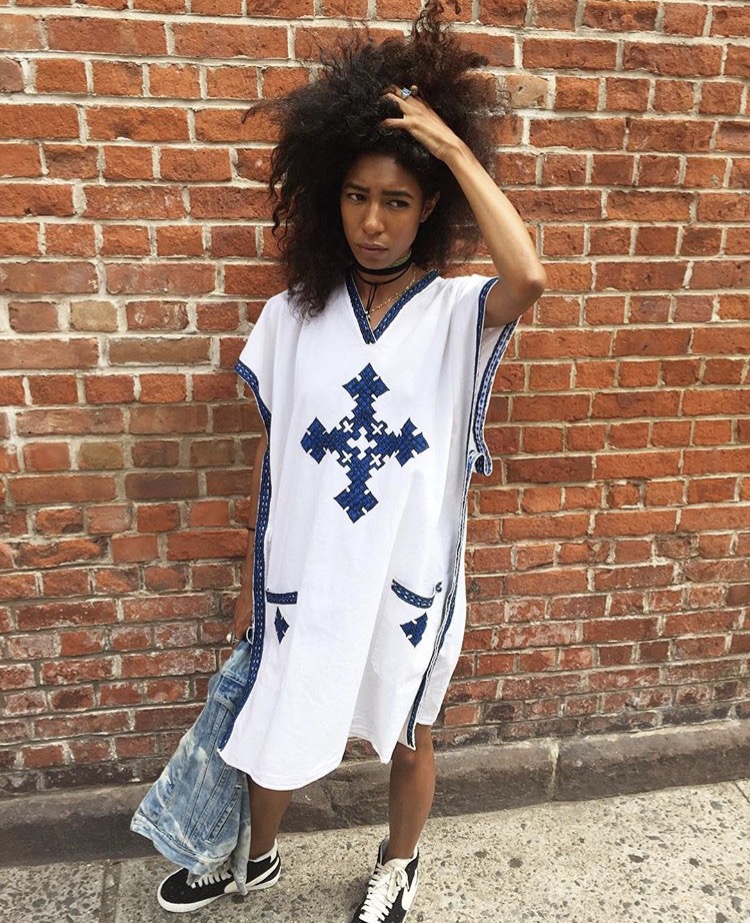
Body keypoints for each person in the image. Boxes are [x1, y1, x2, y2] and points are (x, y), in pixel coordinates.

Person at [156, 2, 546, 919]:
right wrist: (259, 570)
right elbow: (276, 451)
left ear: (429, 208)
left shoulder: (454, 313)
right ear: (331, 197)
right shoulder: (294, 314)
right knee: (278, 714)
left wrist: (450, 148)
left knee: (408, 727)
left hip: (405, 567)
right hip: (306, 565)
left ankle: (398, 863)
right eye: (356, 196)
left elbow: (528, 276)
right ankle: (252, 856)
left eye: (397, 200)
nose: (373, 221)